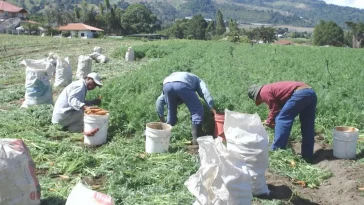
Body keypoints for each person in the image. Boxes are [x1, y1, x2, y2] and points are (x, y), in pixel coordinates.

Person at [247, 81, 317, 160]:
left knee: (282, 119)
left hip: (300, 93)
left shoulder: (263, 92)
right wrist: (273, 120)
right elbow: (280, 108)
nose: (261, 101)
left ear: (256, 96)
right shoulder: (269, 88)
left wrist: (269, 121)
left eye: (259, 100)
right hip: (310, 92)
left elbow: (275, 109)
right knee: (307, 125)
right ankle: (307, 156)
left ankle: (277, 150)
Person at [156, 72, 216, 145]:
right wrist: (211, 107)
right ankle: (196, 136)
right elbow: (205, 92)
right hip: (183, 84)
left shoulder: (173, 79)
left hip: (166, 84)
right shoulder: (197, 80)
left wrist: (161, 117)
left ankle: (166, 137)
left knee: (171, 111)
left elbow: (159, 101)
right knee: (197, 110)